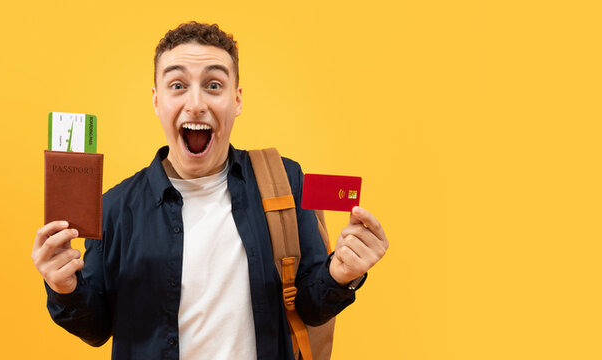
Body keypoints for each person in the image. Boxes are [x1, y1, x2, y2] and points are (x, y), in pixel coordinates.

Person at [30, 21, 389, 360]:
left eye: (214, 85)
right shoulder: (114, 208)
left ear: (237, 100)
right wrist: (64, 287)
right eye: (178, 85)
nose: (197, 103)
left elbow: (310, 307)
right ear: (157, 101)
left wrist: (342, 274)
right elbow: (95, 328)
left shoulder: (285, 179)